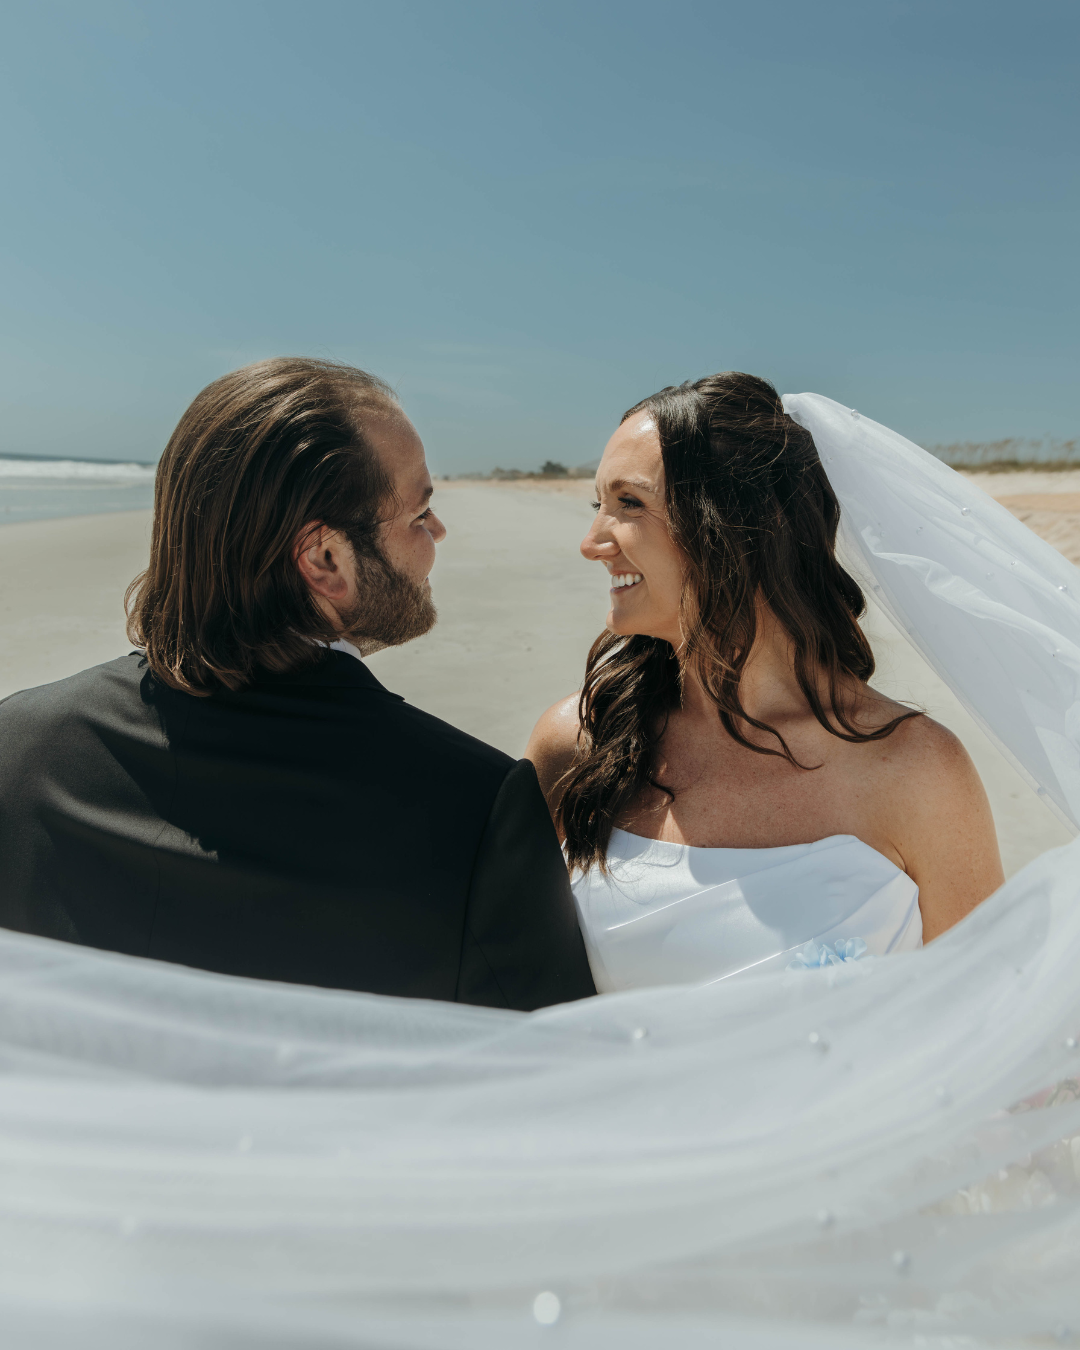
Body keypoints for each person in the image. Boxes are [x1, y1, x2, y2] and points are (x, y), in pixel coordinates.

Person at [0, 358, 595, 1010]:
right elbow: (549, 1082)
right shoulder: (476, 810)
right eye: (420, 511)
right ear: (324, 558)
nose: (438, 532)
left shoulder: (19, 746)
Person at [526, 372, 1005, 992]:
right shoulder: (578, 741)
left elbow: (982, 1015)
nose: (593, 543)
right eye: (599, 505)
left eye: (630, 504)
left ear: (737, 528)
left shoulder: (915, 770)